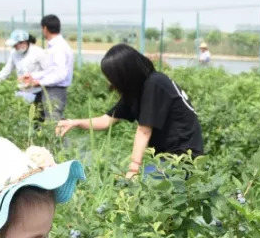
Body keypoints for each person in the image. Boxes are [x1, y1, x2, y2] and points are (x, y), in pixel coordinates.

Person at [55, 43, 204, 178]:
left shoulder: (155, 84)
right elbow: (107, 120)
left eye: (112, 77)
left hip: (183, 158)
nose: (110, 82)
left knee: (143, 188)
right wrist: (74, 122)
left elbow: (144, 131)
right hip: (167, 157)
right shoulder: (137, 90)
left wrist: (133, 169)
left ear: (125, 74)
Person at [24, 14, 74, 120]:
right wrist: (33, 76)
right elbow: (52, 70)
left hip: (55, 90)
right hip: (52, 89)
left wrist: (39, 82)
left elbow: (60, 74)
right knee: (50, 122)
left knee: (53, 125)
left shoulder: (58, 48)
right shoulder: (56, 46)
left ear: (45, 28)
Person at [0, 30, 48, 104]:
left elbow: (48, 71)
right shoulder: (14, 53)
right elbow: (7, 69)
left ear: (24, 42)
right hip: (22, 92)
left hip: (38, 92)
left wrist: (35, 81)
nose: (14, 47)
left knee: (37, 114)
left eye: (15, 45)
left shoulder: (38, 52)